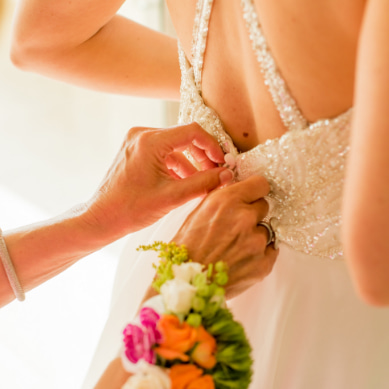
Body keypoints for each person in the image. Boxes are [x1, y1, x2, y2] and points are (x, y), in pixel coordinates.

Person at [11, 0, 389, 388]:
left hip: (188, 259)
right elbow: (376, 271)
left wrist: (207, 84)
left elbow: (38, 40)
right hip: (333, 315)